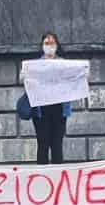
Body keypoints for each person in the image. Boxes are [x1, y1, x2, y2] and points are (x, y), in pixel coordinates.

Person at [22, 32, 73, 164]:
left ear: (57, 46)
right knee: (42, 144)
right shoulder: (35, 65)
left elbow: (74, 78)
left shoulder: (64, 64)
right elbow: (24, 80)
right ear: (42, 46)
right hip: (41, 110)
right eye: (46, 43)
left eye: (52, 43)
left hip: (59, 110)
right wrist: (24, 75)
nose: (49, 46)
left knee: (57, 145)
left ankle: (58, 178)